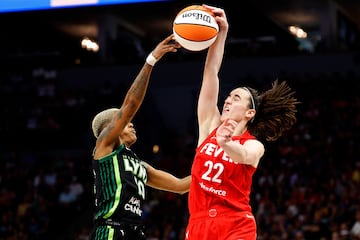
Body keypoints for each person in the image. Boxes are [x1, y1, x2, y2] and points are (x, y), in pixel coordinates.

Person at [184, 4, 300, 240]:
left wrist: (226, 143)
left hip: (235, 223)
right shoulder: (209, 126)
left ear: (249, 113)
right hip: (198, 225)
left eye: (236, 98)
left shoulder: (254, 145)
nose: (227, 100)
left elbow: (243, 156)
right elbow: (211, 73)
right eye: (228, 96)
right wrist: (221, 33)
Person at [90, 34, 191, 240]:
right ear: (112, 127)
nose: (132, 123)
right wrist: (151, 60)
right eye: (126, 122)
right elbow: (130, 106)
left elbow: (180, 186)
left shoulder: (139, 165)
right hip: (110, 230)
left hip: (134, 232)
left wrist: (222, 166)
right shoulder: (105, 147)